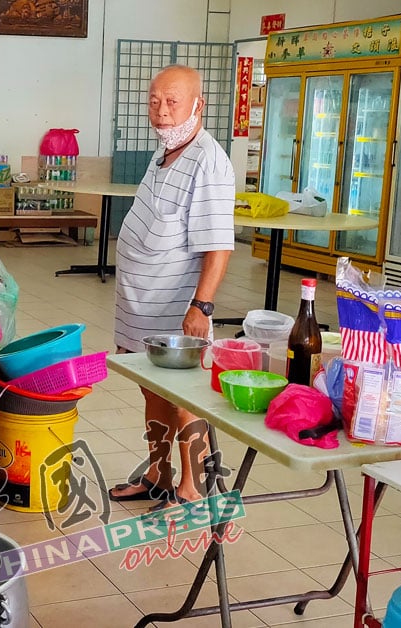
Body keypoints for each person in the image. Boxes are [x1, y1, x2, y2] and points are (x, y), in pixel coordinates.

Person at [107, 64, 235, 513]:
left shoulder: (208, 160)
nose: (160, 112)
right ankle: (159, 476)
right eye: (154, 100)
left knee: (185, 399)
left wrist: (201, 306)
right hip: (141, 306)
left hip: (179, 307)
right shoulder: (164, 153)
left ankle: (193, 486)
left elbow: (218, 246)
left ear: (199, 105)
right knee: (152, 390)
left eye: (172, 102)